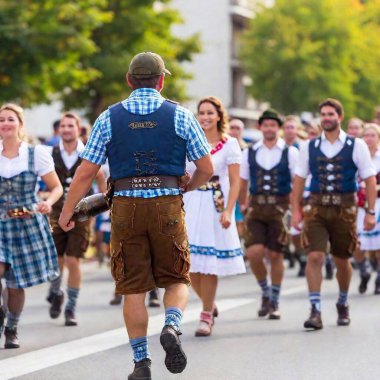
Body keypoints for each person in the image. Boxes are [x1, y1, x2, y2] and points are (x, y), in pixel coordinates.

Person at [57, 52, 213, 380]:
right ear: (161, 80)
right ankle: (171, 325)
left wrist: (67, 212)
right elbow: (206, 168)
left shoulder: (108, 118)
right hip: (167, 203)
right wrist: (186, 187)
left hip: (125, 207)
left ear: (129, 80)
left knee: (132, 288)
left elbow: (86, 172)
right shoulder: (181, 115)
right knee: (176, 278)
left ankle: (141, 363)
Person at [292, 98, 376, 330]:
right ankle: (315, 309)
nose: (326, 118)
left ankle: (342, 301)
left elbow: (369, 180)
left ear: (340, 117)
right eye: (323, 114)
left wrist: (369, 212)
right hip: (317, 209)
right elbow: (299, 180)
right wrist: (296, 211)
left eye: (331, 114)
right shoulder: (309, 146)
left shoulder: (355, 144)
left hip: (345, 211)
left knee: (342, 259)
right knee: (315, 256)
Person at [0, 103, 63, 348]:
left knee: (16, 284)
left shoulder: (35, 153)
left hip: (25, 223)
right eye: (1, 120)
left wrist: (48, 202)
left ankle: (12, 328)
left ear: (20, 124)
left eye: (10, 119)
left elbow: (56, 187)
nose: (5, 124)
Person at [184, 97, 245, 337]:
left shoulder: (229, 144)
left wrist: (229, 210)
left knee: (208, 265)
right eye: (201, 113)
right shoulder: (190, 141)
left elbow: (236, 180)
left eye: (210, 113)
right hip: (190, 202)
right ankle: (210, 303)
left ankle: (206, 314)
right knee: (189, 263)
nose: (206, 117)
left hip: (215, 204)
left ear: (219, 116)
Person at [47, 112, 106, 326]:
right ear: (58, 130)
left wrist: (103, 203)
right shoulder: (51, 152)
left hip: (81, 215)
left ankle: (71, 308)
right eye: (62, 126)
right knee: (57, 259)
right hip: (55, 212)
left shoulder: (88, 153)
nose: (66, 129)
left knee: (73, 259)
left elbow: (100, 179)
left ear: (78, 128)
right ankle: (56, 291)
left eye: (70, 125)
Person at [239, 109, 299, 320]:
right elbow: (243, 181)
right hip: (256, 208)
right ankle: (265, 291)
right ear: (260, 127)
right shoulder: (250, 151)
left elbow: (296, 182)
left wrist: (295, 210)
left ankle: (274, 299)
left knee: (275, 254)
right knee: (254, 253)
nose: (269, 128)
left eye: (273, 125)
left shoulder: (290, 152)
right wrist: (242, 204)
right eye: (266, 125)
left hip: (279, 210)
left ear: (278, 128)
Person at [355, 123, 380, 295]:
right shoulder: (356, 157)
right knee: (356, 243)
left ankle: (379, 277)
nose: (369, 138)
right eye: (366, 135)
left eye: (372, 135)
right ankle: (364, 271)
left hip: (378, 204)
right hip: (360, 205)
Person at [228, 118, 247, 239]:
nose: (234, 131)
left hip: (241, 189)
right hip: (226, 188)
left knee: (240, 220)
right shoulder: (224, 146)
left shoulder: (247, 149)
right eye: (232, 127)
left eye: (237, 128)